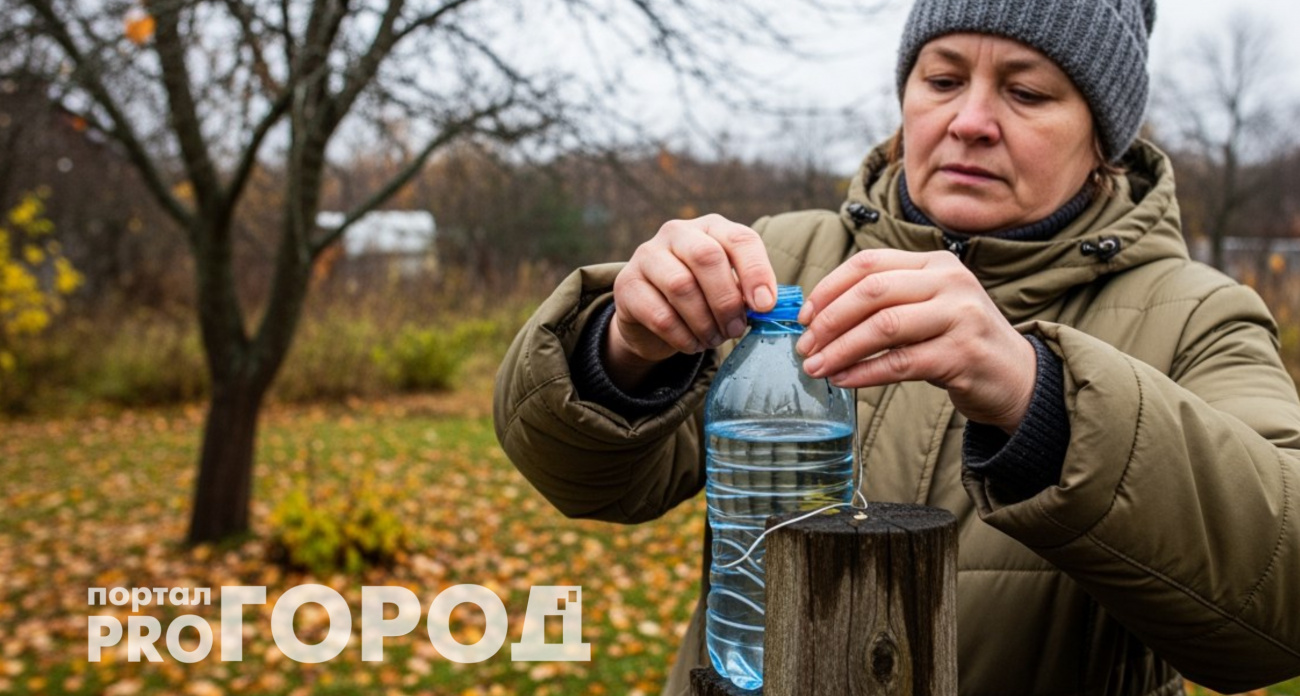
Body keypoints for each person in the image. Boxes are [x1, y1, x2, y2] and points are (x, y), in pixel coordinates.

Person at [493, 0, 1300, 693]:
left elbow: (1278, 606)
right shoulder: (783, 265)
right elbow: (583, 479)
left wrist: (1038, 397)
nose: (970, 121)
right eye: (943, 80)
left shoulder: (1199, 315)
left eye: (1026, 91)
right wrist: (624, 346)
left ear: (1104, 140)